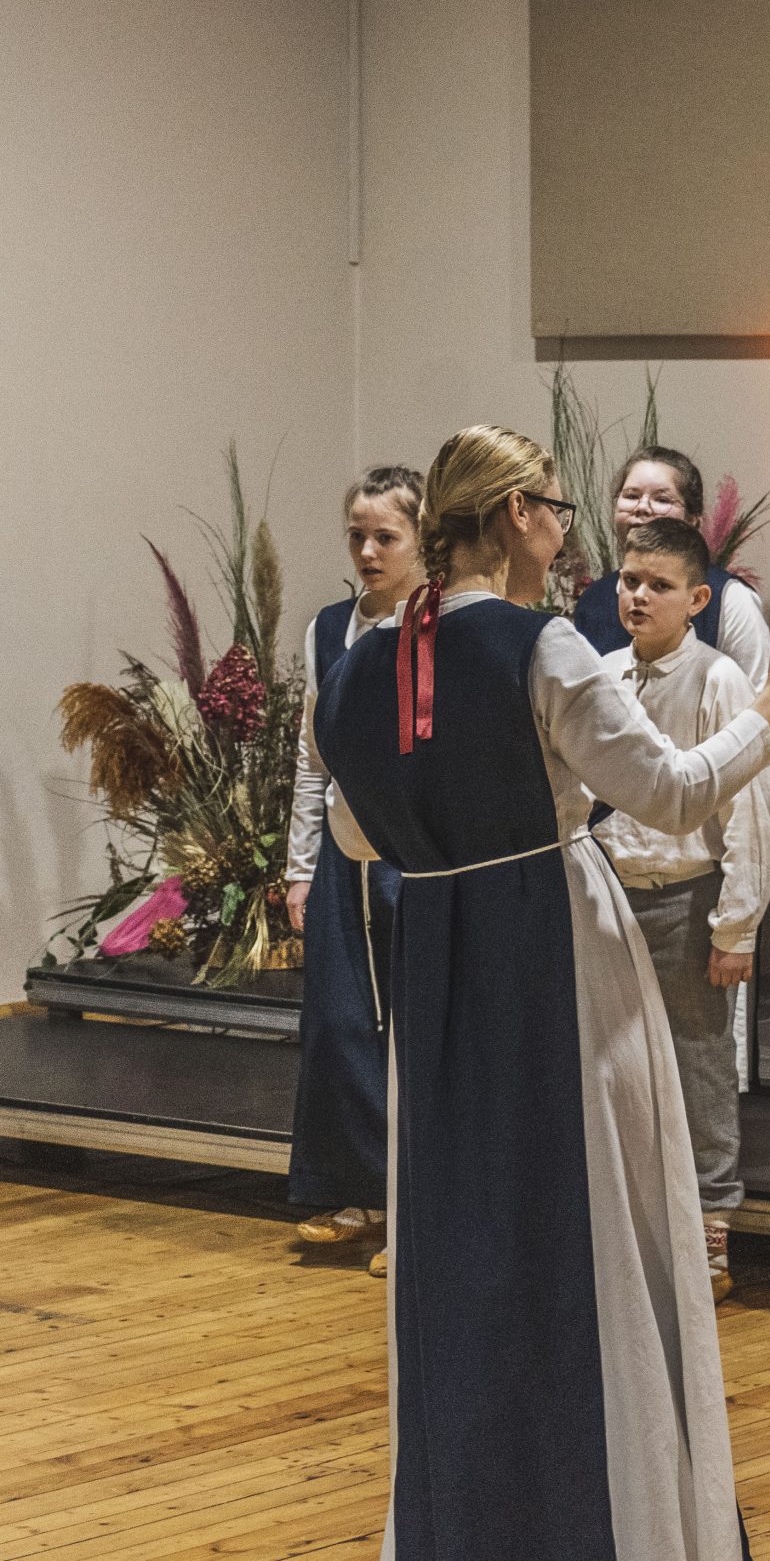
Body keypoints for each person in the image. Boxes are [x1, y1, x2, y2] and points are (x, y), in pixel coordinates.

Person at [311, 424, 770, 1560]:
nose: (567, 534)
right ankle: (622, 1516)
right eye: (557, 509)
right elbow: (669, 791)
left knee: (463, 1231)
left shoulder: (358, 665)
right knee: (605, 1221)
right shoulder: (540, 644)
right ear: (516, 513)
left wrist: (446, 830)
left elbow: (355, 832)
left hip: (439, 960)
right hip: (555, 943)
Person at [593, 519, 770, 1304]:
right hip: (610, 894)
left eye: (659, 585)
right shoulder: (601, 672)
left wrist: (736, 926)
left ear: (698, 599)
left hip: (687, 895)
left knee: (699, 1064)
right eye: (630, 580)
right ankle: (634, 1228)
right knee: (615, 1062)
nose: (639, 596)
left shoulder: (719, 678)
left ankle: (711, 1233)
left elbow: (748, 808)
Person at [283, 465, 423, 1274]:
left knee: (414, 1026)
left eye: (386, 537)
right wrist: (300, 867)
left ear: (422, 540)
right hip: (343, 851)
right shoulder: (328, 628)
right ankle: (359, 1187)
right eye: (357, 536)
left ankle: (416, 1210)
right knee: (338, 1022)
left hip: (415, 848)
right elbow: (312, 759)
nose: (368, 552)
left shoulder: (438, 624)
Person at [570, 444, 770, 689]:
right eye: (631, 496)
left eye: (662, 499)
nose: (642, 507)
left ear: (692, 519)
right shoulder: (592, 602)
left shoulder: (729, 597)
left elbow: (758, 696)